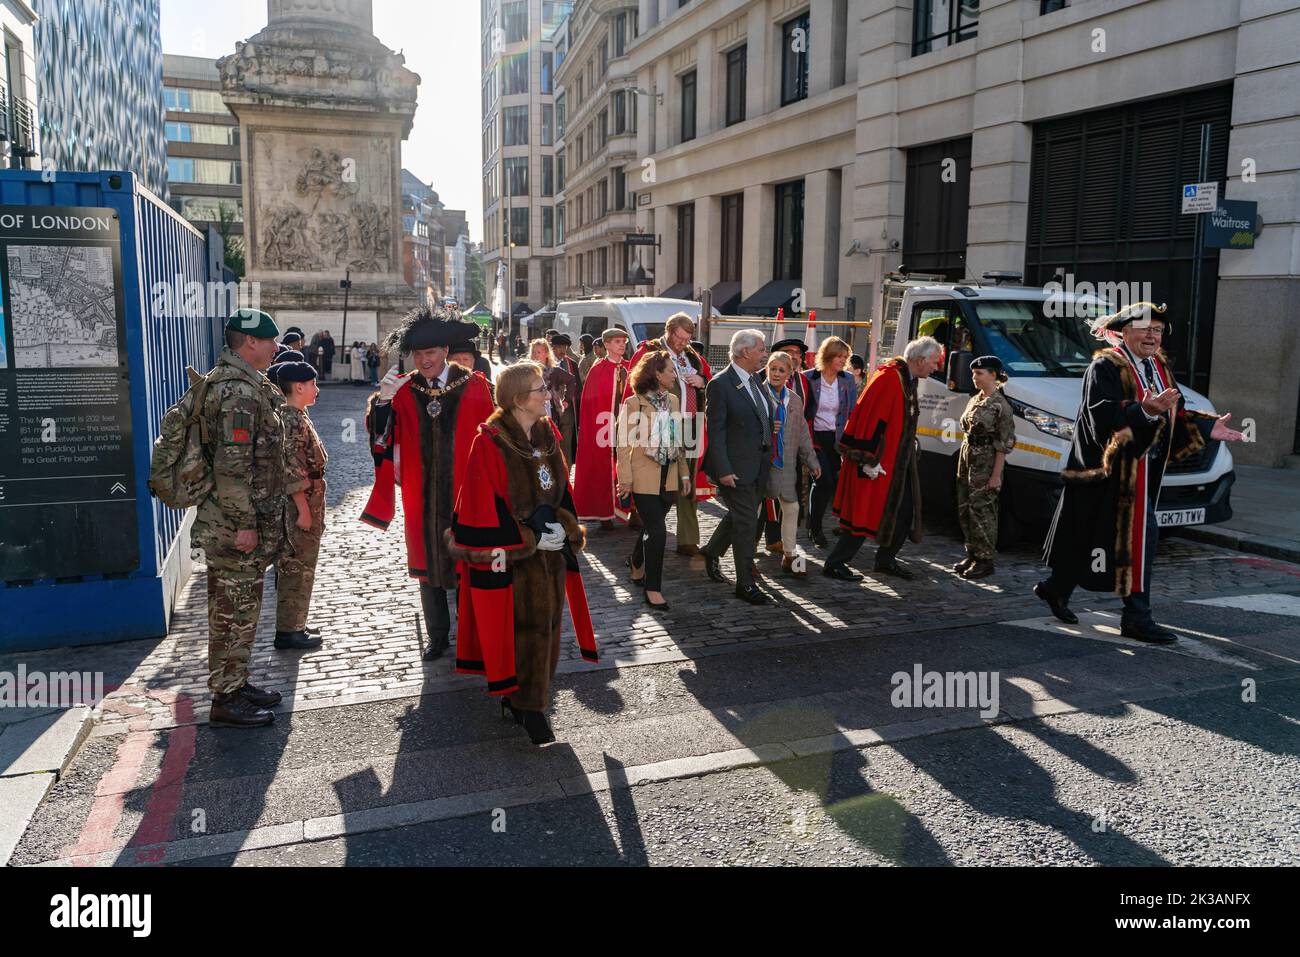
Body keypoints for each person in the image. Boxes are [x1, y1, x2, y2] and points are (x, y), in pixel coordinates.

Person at [1036, 303, 1244, 643]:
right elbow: (1098, 415)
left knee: (1107, 535)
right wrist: (1141, 410)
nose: (1152, 335)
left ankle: (1056, 588)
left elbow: (1172, 411)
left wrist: (1207, 429)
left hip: (1142, 472)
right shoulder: (1105, 366)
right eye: (1145, 328)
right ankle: (1136, 617)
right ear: (1124, 331)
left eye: (1158, 330)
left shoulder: (1158, 367)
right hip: (1108, 472)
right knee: (1122, 536)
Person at [449, 362, 598, 745]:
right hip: (513, 559)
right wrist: (527, 539)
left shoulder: (547, 433)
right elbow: (482, 506)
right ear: (518, 400)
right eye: (539, 390)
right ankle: (528, 707)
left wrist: (564, 530)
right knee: (519, 632)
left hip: (548, 554)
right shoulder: (489, 441)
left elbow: (563, 486)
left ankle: (527, 699)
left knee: (547, 627)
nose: (547, 395)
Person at [360, 308, 495, 660]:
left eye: (431, 353)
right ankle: (437, 636)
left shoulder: (475, 386)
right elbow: (380, 438)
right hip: (421, 495)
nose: (424, 361)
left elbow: (494, 440)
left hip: (466, 493)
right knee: (427, 564)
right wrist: (384, 403)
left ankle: (471, 628)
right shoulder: (405, 391)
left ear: (445, 352)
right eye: (418, 355)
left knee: (467, 562)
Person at [192, 310, 290, 728]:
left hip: (236, 521)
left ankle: (236, 681)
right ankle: (225, 697)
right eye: (270, 341)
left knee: (243, 607)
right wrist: (246, 523)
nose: (275, 348)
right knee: (231, 610)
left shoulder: (245, 384)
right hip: (233, 526)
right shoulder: (238, 394)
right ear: (249, 343)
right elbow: (232, 470)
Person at [824, 337, 943, 581]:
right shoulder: (889, 379)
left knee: (903, 511)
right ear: (920, 360)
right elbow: (871, 421)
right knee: (862, 512)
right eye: (934, 362)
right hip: (877, 462)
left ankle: (886, 560)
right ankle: (835, 562)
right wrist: (868, 459)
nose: (936, 367)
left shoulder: (905, 380)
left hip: (897, 462)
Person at [623, 312, 713, 556]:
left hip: (691, 425)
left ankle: (688, 539)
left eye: (687, 338)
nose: (684, 343)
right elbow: (635, 386)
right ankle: (645, 541)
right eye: (681, 338)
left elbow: (709, 380)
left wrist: (701, 380)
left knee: (688, 481)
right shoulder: (650, 354)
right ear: (669, 332)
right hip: (661, 426)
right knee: (659, 484)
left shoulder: (692, 357)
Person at [700, 329, 773, 605]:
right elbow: (715, 431)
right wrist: (723, 469)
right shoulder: (721, 384)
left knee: (739, 517)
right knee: (746, 523)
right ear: (745, 352)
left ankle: (711, 551)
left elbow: (755, 416)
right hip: (735, 468)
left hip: (758, 465)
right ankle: (745, 583)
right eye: (761, 350)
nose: (764, 354)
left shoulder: (756, 380)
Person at [617, 351, 692, 610]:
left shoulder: (672, 400)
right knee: (658, 532)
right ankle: (653, 589)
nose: (675, 375)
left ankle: (636, 562)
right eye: (671, 370)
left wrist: (684, 473)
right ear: (656, 374)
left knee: (652, 526)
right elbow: (622, 445)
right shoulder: (634, 403)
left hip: (668, 477)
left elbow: (678, 440)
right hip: (643, 478)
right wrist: (625, 480)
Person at [270, 359, 328, 648]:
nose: (317, 389)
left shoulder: (299, 415)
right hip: (300, 506)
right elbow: (290, 468)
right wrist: (303, 510)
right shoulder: (291, 418)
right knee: (296, 567)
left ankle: (296, 624)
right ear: (299, 387)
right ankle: (288, 631)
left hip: (310, 501)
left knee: (304, 566)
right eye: (313, 384)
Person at [955, 356, 1016, 579]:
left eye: (979, 373)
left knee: (983, 511)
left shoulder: (1001, 406)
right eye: (974, 373)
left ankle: (985, 559)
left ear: (993, 375)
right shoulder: (975, 400)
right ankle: (972, 553)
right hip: (968, 458)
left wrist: (996, 475)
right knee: (965, 508)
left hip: (987, 462)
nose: (974, 377)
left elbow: (1004, 443)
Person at [761, 351, 820, 578]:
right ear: (767, 369)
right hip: (761, 463)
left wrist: (812, 461)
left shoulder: (794, 400)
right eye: (772, 368)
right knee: (755, 514)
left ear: (790, 374)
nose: (776, 373)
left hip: (785, 464)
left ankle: (789, 555)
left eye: (781, 370)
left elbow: (803, 434)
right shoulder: (758, 394)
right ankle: (746, 559)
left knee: (792, 508)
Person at [573, 327, 632, 526]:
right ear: (606, 344)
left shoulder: (629, 368)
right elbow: (592, 405)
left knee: (628, 466)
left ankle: (630, 508)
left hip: (626, 426)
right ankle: (605, 511)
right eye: (617, 341)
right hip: (603, 427)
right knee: (603, 468)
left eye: (623, 341)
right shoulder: (598, 370)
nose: (622, 344)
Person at [803, 337, 856, 549]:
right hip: (815, 438)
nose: (843, 361)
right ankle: (815, 529)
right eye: (839, 357)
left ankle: (812, 523)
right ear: (827, 356)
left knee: (829, 483)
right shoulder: (809, 378)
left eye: (845, 357)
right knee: (823, 481)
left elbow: (851, 411)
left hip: (836, 439)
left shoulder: (847, 380)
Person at [550, 332, 582, 443]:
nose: (562, 351)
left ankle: (566, 461)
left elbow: (577, 387)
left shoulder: (571, 364)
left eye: (565, 347)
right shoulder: (545, 363)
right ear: (552, 348)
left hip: (567, 409)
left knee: (566, 441)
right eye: (559, 347)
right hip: (549, 408)